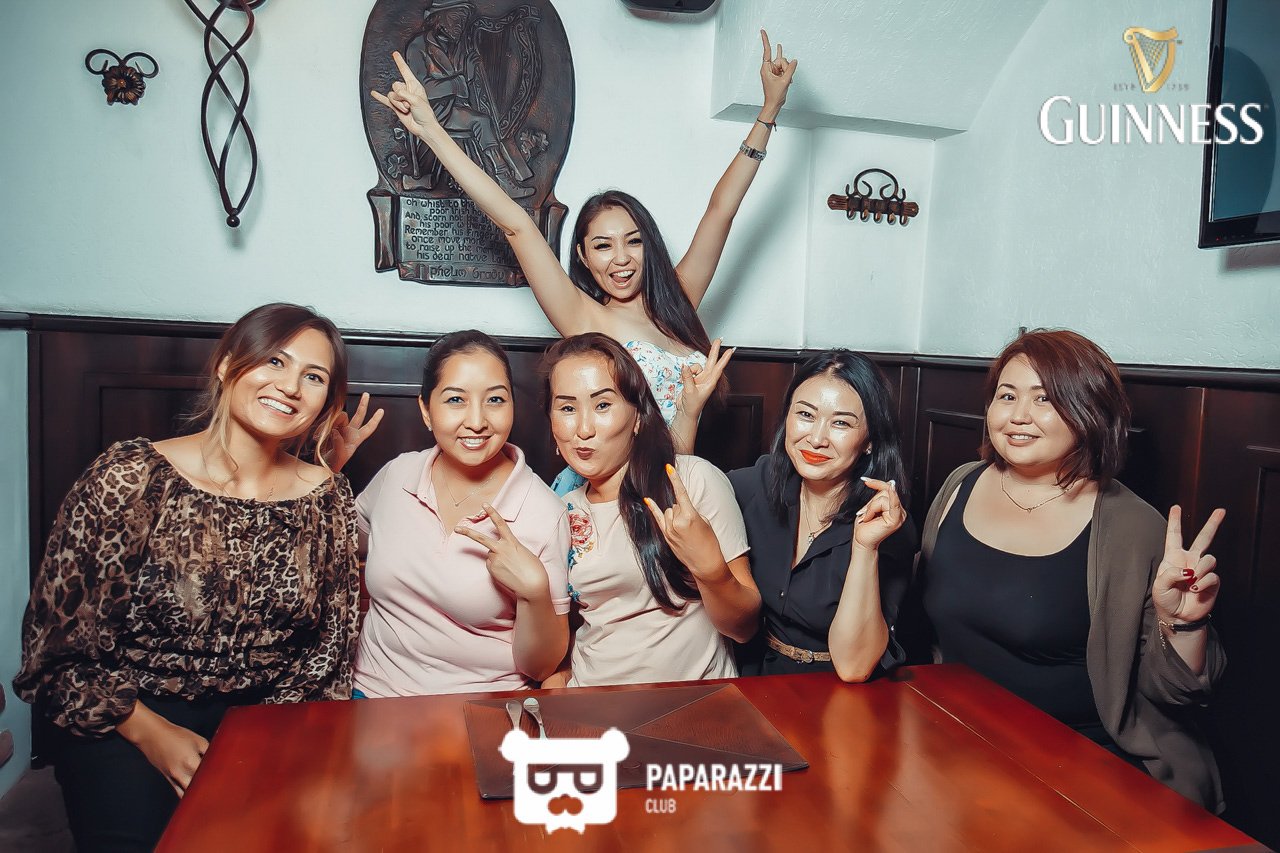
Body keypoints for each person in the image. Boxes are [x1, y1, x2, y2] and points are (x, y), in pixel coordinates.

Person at [14, 303, 361, 852]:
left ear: (327, 401)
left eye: (314, 376)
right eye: (274, 360)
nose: (291, 386)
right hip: (128, 713)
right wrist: (152, 733)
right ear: (226, 364)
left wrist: (260, 743)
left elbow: (327, 651)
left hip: (269, 718)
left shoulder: (328, 496)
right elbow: (56, 652)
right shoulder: (130, 477)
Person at [371, 30, 797, 457]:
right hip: (613, 484)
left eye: (633, 241)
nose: (621, 259)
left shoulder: (680, 302)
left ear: (649, 247)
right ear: (584, 256)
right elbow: (517, 225)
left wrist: (768, 112)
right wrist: (433, 131)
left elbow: (721, 211)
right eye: (603, 246)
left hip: (682, 476)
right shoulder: (585, 319)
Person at [917, 329, 1228, 812]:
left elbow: (1177, 695)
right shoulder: (961, 484)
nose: (1018, 415)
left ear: (1089, 413)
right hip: (962, 741)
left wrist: (1183, 623)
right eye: (1007, 395)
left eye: (1044, 399)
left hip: (1085, 763)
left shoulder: (1131, 526)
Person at [352, 330, 570, 696]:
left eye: (495, 399)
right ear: (426, 410)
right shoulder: (397, 475)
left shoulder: (544, 513)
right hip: (371, 695)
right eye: (456, 399)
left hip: (481, 703)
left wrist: (534, 592)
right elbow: (339, 543)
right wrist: (325, 471)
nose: (477, 421)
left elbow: (541, 668)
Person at [538, 334, 760, 688]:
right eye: (567, 408)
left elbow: (744, 628)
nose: (583, 429)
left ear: (638, 417)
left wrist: (711, 570)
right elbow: (572, 627)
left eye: (602, 405)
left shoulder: (693, 482)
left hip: (691, 705)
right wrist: (559, 683)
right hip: (591, 703)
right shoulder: (559, 510)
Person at [729, 350, 917, 681]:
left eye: (841, 423)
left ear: (870, 440)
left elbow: (854, 667)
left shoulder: (887, 524)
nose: (816, 439)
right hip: (757, 679)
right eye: (805, 414)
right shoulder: (755, 485)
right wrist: (689, 414)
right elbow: (685, 491)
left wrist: (865, 548)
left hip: (838, 689)